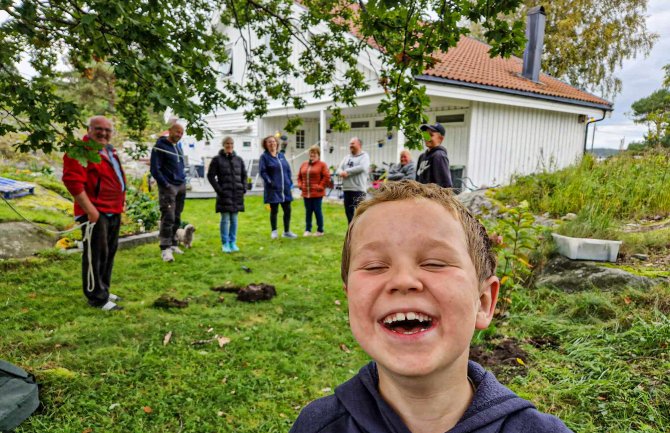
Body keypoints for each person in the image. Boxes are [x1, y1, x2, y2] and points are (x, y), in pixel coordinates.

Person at [290, 180, 574, 433]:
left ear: (484, 302)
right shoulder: (315, 425)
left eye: (434, 263)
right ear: (351, 297)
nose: (403, 280)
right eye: (375, 266)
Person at [62, 116, 126, 311]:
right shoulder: (80, 151)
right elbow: (72, 181)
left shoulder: (108, 150)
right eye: (99, 129)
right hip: (95, 212)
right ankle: (97, 297)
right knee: (95, 255)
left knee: (108, 252)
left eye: (108, 130)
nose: (104, 133)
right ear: (88, 129)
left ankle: (103, 289)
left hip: (112, 209)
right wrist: (90, 210)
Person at [150, 122, 187, 262]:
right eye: (177, 132)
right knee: (168, 216)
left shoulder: (177, 146)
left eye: (181, 133)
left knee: (177, 216)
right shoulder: (159, 146)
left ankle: (173, 243)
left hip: (180, 185)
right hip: (168, 187)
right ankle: (165, 248)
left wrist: (183, 180)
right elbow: (155, 169)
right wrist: (165, 184)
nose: (179, 135)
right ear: (170, 130)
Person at [207, 136, 247, 253]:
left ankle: (232, 242)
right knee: (225, 219)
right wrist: (219, 190)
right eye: (227, 143)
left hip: (237, 194)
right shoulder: (217, 160)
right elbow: (210, 176)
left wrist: (244, 188)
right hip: (224, 194)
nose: (229, 146)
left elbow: (244, 175)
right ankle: (225, 243)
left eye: (231, 143)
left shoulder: (239, 160)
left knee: (234, 219)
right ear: (223, 145)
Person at [259, 135, 297, 239]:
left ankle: (287, 231)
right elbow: (263, 171)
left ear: (277, 143)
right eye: (269, 142)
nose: (272, 144)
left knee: (287, 209)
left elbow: (287, 169)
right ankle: (274, 231)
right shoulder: (264, 157)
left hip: (285, 188)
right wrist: (269, 181)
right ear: (266, 145)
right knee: (274, 210)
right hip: (273, 188)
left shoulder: (281, 156)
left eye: (273, 141)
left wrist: (289, 182)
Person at [297, 144, 331, 237]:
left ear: (318, 154)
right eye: (311, 153)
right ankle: (308, 230)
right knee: (308, 211)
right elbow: (299, 176)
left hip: (317, 193)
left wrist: (320, 186)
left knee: (317, 211)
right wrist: (300, 185)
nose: (312, 154)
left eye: (314, 153)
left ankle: (320, 230)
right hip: (306, 193)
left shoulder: (322, 165)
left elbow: (327, 177)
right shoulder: (304, 164)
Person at [337, 137, 370, 224]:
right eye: (350, 144)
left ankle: (362, 233)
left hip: (358, 190)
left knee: (361, 214)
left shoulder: (364, 156)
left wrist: (347, 172)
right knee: (349, 214)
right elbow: (339, 169)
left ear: (359, 145)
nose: (350, 145)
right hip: (347, 189)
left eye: (352, 143)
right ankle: (351, 233)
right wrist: (341, 173)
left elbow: (362, 167)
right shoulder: (346, 157)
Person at [415, 122, 453, 188]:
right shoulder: (422, 157)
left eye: (431, 135)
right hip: (420, 197)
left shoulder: (439, 156)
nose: (427, 137)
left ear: (441, 138)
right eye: (426, 134)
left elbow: (446, 186)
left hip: (431, 197)